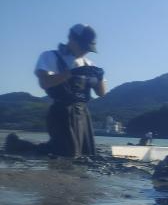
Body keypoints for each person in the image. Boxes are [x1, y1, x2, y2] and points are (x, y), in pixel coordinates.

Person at [5, 24, 107, 157]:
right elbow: (44, 83)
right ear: (71, 38)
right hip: (61, 112)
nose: (84, 51)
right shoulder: (50, 56)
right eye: (82, 46)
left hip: (82, 113)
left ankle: (22, 145)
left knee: (86, 154)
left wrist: (100, 78)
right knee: (66, 153)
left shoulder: (89, 64)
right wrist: (69, 73)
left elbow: (101, 93)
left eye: (87, 48)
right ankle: (17, 144)